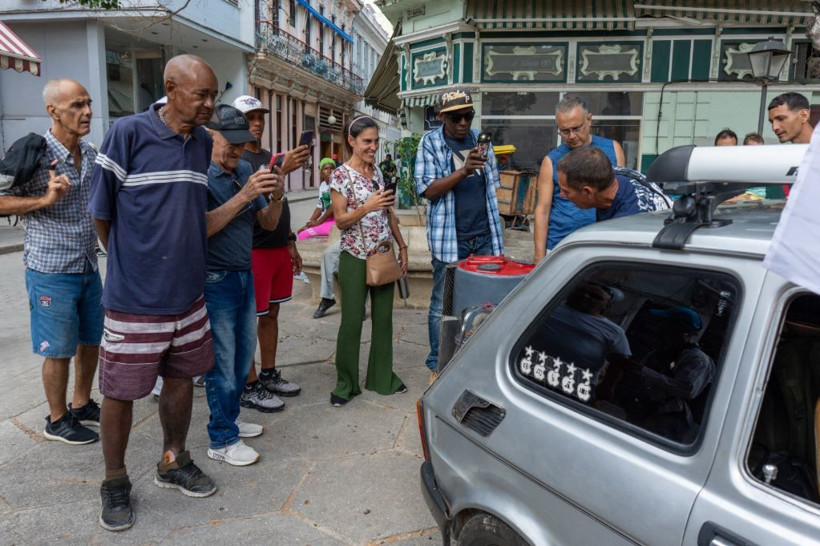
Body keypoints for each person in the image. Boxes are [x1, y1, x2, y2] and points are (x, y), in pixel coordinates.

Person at [89, 54, 219, 532]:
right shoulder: (127, 133)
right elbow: (101, 212)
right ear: (170, 87)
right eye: (200, 94)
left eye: (213, 95)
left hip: (189, 296)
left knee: (183, 379)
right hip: (134, 301)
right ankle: (115, 480)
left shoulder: (202, 142)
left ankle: (173, 458)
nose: (209, 104)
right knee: (120, 393)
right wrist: (130, 260)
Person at [0, 79, 102, 445]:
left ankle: (81, 404)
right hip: (51, 269)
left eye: (88, 103)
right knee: (58, 348)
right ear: (53, 111)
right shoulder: (32, 152)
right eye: (77, 105)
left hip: (88, 265)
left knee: (90, 341)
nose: (87, 111)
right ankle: (56, 419)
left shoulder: (89, 152)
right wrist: (43, 200)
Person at [201, 105, 286, 466]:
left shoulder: (247, 169)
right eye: (229, 143)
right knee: (221, 363)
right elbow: (201, 228)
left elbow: (266, 223)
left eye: (243, 143)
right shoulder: (201, 176)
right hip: (214, 277)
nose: (237, 151)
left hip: (243, 272)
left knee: (240, 359)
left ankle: (230, 418)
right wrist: (245, 195)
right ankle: (220, 439)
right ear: (211, 136)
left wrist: (278, 195)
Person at [414, 87, 505, 381]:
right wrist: (463, 171)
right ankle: (436, 364)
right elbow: (428, 190)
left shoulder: (482, 142)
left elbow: (492, 189)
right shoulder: (430, 143)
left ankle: (476, 360)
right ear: (442, 117)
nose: (463, 122)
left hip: (485, 236)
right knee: (443, 303)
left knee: (486, 299)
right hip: (451, 239)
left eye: (467, 115)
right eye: (455, 117)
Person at [231, 95, 309, 413]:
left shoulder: (269, 156)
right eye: (251, 118)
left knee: (272, 315)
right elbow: (253, 202)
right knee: (250, 319)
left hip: (277, 247)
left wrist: (291, 243)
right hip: (253, 249)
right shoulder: (238, 161)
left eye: (260, 117)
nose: (258, 123)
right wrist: (281, 171)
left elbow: (281, 203)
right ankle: (249, 385)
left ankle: (268, 374)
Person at [328, 115, 408, 406]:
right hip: (355, 257)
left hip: (383, 254)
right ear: (351, 142)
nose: (373, 147)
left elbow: (388, 214)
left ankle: (381, 377)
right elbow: (340, 220)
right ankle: (346, 384)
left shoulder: (379, 173)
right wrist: (366, 206)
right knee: (351, 321)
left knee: (384, 320)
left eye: (376, 141)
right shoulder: (341, 176)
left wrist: (402, 245)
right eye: (367, 141)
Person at [533, 95, 625, 263]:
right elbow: (543, 210)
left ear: (589, 119)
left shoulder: (613, 149)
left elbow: (621, 198)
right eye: (565, 131)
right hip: (561, 245)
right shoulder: (551, 161)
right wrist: (539, 258)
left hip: (603, 244)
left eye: (576, 128)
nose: (572, 136)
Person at [632, 307, 715, 443]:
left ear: (680, 330)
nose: (661, 327)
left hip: (670, 419)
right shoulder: (663, 350)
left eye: (667, 324)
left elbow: (687, 389)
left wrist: (643, 371)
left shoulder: (698, 359)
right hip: (645, 410)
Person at [556, 146, 670, 222]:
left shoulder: (627, 223)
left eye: (566, 191)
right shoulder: (617, 173)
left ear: (587, 192)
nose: (561, 195)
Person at [297, 157, 336, 241]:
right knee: (301, 231)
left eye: (332, 168)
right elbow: (320, 207)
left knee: (303, 235)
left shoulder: (336, 184)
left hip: (336, 221)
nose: (329, 171)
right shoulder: (323, 185)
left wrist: (319, 222)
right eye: (326, 168)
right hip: (327, 220)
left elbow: (333, 206)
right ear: (321, 172)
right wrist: (310, 222)